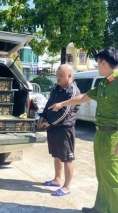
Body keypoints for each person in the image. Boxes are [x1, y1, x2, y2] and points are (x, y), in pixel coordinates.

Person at [49, 47, 118, 213]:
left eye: (98, 63)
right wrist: (62, 103)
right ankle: (101, 207)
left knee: (113, 178)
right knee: (101, 174)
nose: (97, 66)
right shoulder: (104, 83)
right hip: (100, 134)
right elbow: (82, 98)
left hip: (113, 135)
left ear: (105, 63)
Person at [38, 64, 81, 196]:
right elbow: (48, 105)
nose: (58, 78)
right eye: (57, 76)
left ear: (70, 76)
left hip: (64, 129)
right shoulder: (56, 89)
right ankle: (57, 179)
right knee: (56, 155)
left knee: (67, 158)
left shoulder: (72, 91)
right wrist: (42, 117)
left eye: (61, 76)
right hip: (53, 128)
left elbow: (65, 113)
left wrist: (49, 122)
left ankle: (67, 186)